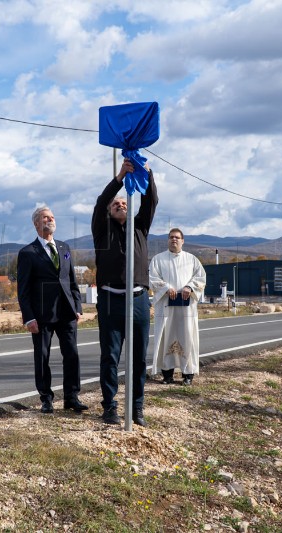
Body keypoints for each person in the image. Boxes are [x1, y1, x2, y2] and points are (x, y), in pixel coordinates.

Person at [92, 158, 157, 427]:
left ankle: (137, 407)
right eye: (116, 204)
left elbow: (150, 201)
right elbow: (100, 201)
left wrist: (147, 174)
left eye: (124, 203)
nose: (121, 205)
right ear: (109, 211)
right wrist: (120, 177)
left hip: (139, 300)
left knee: (139, 357)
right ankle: (109, 407)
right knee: (110, 356)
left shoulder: (140, 227)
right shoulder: (102, 229)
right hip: (110, 300)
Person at [17, 206, 87, 414]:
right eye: (46, 218)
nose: (50, 220)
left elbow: (71, 281)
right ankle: (46, 399)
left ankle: (72, 397)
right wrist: (29, 317)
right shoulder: (27, 253)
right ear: (36, 223)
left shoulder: (64, 248)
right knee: (42, 357)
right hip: (41, 315)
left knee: (72, 355)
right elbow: (23, 290)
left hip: (67, 312)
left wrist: (78, 306)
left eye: (52, 217)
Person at [149, 228, 206, 386]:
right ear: (168, 240)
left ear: (182, 240)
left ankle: (188, 374)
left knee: (188, 336)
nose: (174, 240)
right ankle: (167, 374)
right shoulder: (158, 259)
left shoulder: (192, 259)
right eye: (171, 237)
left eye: (177, 237)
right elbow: (152, 278)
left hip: (186, 308)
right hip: (166, 306)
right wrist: (166, 287)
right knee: (165, 336)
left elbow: (201, 278)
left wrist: (189, 287)